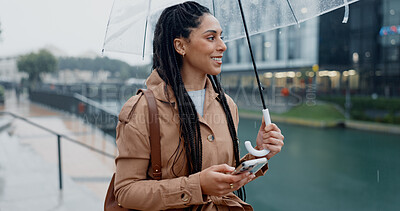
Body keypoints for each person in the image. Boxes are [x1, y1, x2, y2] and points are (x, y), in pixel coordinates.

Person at [114, 1, 284, 210]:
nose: (222, 45)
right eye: (211, 37)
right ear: (180, 46)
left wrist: (259, 153)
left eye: (221, 36)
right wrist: (197, 186)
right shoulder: (141, 109)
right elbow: (125, 191)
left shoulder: (227, 105)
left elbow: (225, 177)